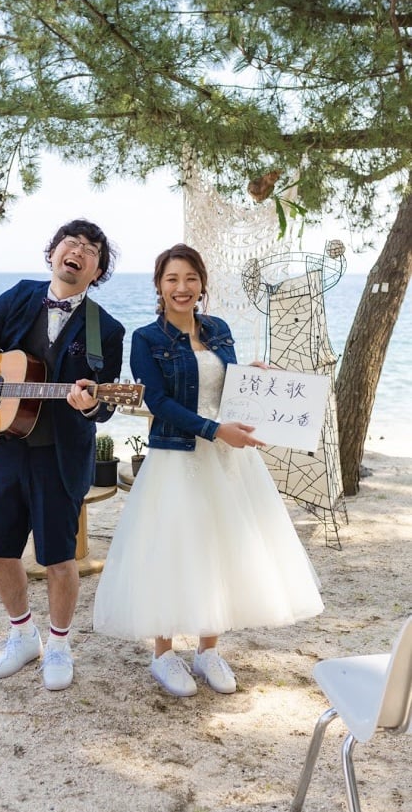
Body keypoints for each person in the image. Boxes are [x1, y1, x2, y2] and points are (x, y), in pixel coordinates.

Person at [93, 243, 324, 698]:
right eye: (172, 279)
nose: (182, 288)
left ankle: (207, 649)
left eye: (191, 279)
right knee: (172, 549)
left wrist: (258, 375)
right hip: (179, 455)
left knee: (219, 549)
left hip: (227, 456)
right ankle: (163, 654)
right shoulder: (146, 339)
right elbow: (157, 402)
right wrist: (215, 430)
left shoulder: (217, 329)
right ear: (159, 286)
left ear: (203, 285)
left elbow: (229, 384)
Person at [0, 219, 124, 691]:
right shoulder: (19, 296)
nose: (79, 251)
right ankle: (22, 635)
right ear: (53, 252)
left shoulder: (105, 329)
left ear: (97, 271)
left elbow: (105, 403)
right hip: (7, 445)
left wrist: (92, 403)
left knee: (58, 558)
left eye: (91, 250)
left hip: (60, 456)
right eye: (72, 242)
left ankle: (60, 645)